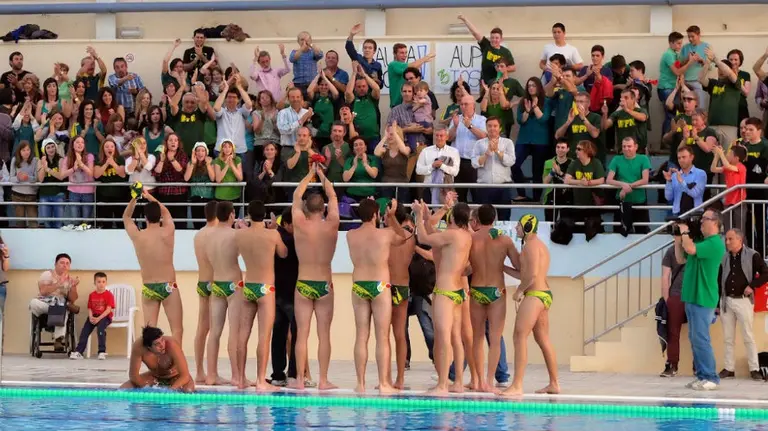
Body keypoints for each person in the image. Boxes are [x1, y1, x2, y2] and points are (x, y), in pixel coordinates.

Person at [411, 199, 472, 395]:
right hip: (458, 292)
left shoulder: (451, 235)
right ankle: (458, 382)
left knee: (443, 337)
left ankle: (443, 384)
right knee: (456, 338)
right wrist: (428, 216)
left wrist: (418, 215)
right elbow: (433, 232)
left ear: (452, 217)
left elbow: (423, 237)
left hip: (445, 292)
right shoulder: (465, 236)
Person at [288, 163, 340, 391]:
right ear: (324, 208)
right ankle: (323, 380)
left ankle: (300, 379)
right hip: (324, 284)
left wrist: (310, 174)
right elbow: (333, 195)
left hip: (303, 283)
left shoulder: (299, 223)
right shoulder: (332, 223)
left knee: (302, 334)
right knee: (324, 335)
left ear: (306, 208)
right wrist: (322, 175)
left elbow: (296, 195)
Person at [347, 198, 405, 393]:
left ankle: (360, 384)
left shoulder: (351, 235)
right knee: (382, 337)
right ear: (375, 215)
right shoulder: (386, 234)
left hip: (359, 285)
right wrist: (392, 216)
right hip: (380, 285)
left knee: (361, 336)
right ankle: (383, 383)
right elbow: (403, 237)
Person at [501, 214, 560, 397]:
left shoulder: (530, 247)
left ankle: (517, 385)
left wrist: (519, 291)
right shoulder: (538, 246)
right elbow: (524, 274)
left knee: (519, 336)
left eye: (519, 226)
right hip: (544, 295)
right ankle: (554, 383)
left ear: (527, 228)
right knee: (543, 339)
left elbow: (531, 276)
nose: (516, 228)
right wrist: (502, 267)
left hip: (534, 295)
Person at [236, 200, 288, 390]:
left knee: (242, 334)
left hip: (248, 286)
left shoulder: (240, 235)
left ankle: (241, 379)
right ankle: (260, 381)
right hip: (265, 288)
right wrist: (274, 230)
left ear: (249, 215)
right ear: (264, 215)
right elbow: (283, 253)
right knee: (264, 336)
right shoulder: (272, 234)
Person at [468, 204, 519, 393]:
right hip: (496, 291)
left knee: (477, 338)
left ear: (477, 219)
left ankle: (479, 381)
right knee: (495, 338)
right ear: (495, 218)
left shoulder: (471, 239)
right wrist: (501, 266)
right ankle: (489, 381)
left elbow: (464, 267)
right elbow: (519, 266)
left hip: (476, 289)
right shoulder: (504, 240)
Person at [674, 208, 726, 391]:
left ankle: (711, 377)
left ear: (715, 222)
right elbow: (680, 259)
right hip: (692, 296)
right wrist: (677, 237)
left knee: (701, 338)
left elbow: (690, 249)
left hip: (704, 297)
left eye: (705, 218)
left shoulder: (715, 243)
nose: (701, 221)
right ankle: (702, 375)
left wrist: (684, 231)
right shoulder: (700, 242)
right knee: (695, 338)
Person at [123, 191, 182, 343]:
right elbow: (166, 211)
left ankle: (151, 358)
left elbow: (126, 217)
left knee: (150, 333)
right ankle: (175, 358)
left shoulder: (138, 236)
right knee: (177, 330)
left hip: (149, 286)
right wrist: (148, 196)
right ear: (159, 216)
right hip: (169, 285)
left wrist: (135, 197)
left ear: (145, 218)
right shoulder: (168, 232)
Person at [718, 229, 768, 381]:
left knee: (748, 335)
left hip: (744, 301)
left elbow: (766, 273)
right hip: (726, 301)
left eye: (730, 239)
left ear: (740, 240)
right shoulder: (724, 257)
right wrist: (717, 303)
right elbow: (719, 279)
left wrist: (752, 286)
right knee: (728, 338)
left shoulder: (753, 255)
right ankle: (729, 368)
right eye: (726, 239)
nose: (727, 242)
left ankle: (754, 369)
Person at [203, 201, 241, 386]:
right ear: (232, 214)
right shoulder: (235, 235)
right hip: (233, 285)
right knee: (234, 332)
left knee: (214, 332)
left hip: (217, 283)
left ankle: (211, 375)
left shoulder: (208, 236)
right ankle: (236, 376)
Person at [385, 204, 416, 389]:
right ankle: (399, 379)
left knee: (386, 335)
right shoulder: (410, 236)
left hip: (388, 286)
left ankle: (389, 378)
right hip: (402, 286)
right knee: (399, 334)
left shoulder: (387, 235)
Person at [121, 326, 194, 392]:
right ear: (149, 347)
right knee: (123, 389)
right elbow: (134, 376)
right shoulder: (139, 348)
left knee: (188, 390)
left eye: (162, 340)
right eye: (157, 344)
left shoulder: (172, 345)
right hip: (154, 378)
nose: (162, 345)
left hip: (175, 377)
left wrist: (170, 390)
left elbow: (185, 376)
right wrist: (147, 389)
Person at [31, 253, 80, 351]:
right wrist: (58, 284)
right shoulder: (47, 274)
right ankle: (59, 308)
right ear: (55, 264)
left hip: (60, 306)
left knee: (62, 307)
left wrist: (73, 286)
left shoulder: (70, 280)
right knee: (33, 302)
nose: (65, 265)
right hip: (45, 303)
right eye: (62, 263)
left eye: (67, 263)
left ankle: (58, 339)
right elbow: (43, 291)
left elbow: (73, 299)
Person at [192, 201, 217, 384]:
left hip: (202, 282)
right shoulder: (218, 235)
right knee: (215, 330)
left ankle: (200, 371)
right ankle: (212, 373)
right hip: (216, 283)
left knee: (202, 327)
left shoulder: (198, 235)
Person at [69, 272, 115, 360]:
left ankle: (102, 352)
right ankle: (79, 352)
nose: (101, 284)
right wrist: (90, 317)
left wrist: (98, 319)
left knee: (100, 330)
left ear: (106, 283)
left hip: (104, 317)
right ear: (95, 283)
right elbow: (90, 308)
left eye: (103, 282)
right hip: (93, 316)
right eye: (99, 282)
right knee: (85, 331)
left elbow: (108, 310)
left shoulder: (109, 295)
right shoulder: (92, 295)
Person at [660, 245, 686, 378]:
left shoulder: (698, 248)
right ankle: (672, 364)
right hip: (677, 296)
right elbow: (665, 276)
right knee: (673, 332)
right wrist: (666, 299)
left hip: (694, 295)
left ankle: (698, 365)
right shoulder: (671, 251)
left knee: (697, 333)